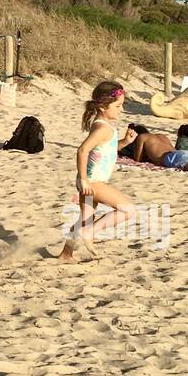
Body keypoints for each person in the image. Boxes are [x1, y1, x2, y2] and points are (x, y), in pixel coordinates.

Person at [61, 81, 135, 262]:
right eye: (118, 105)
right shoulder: (102, 128)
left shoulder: (103, 126)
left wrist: (125, 142)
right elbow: (82, 150)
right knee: (128, 209)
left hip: (89, 181)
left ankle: (66, 254)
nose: (121, 109)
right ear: (103, 106)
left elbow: (105, 150)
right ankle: (91, 231)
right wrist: (84, 180)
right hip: (94, 182)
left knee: (84, 219)